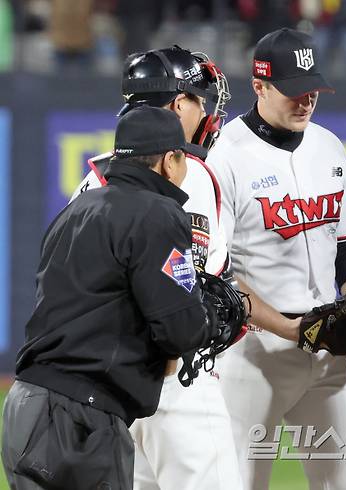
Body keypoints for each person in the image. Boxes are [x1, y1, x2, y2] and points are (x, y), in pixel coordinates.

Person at [206, 27, 346, 490]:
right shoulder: (224, 156)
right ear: (259, 87)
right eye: (293, 90)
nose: (306, 100)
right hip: (252, 351)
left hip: (327, 344)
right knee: (240, 483)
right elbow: (219, 273)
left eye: (313, 88)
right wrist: (289, 328)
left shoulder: (329, 146)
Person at [1, 106, 213, 490]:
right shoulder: (159, 213)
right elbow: (180, 331)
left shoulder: (76, 209)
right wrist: (207, 317)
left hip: (25, 407)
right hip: (84, 421)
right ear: (169, 161)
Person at [69, 46, 243, 490]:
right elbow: (206, 291)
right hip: (177, 377)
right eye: (197, 100)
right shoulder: (191, 175)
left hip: (111, 387)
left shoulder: (89, 186)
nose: (205, 110)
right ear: (175, 105)